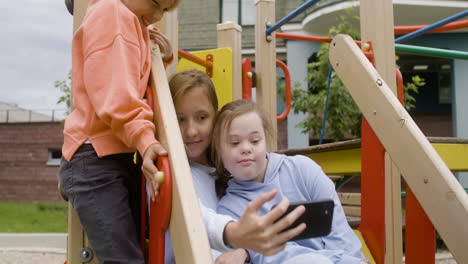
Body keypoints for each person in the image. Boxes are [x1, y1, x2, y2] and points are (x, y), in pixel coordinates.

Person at [59, 0, 179, 263]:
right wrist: (145, 139)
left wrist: (163, 58)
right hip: (94, 161)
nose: (158, 15)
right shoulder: (112, 12)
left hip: (115, 158)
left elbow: (129, 81)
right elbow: (116, 97)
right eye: (156, 3)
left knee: (138, 252)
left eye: (166, 10)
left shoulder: (130, 21)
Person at [165, 70, 307, 263]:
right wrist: (233, 235)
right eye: (180, 119)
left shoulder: (228, 167)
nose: (191, 131)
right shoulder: (170, 170)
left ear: (215, 118)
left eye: (201, 117)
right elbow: (195, 216)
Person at [211, 99, 369, 264]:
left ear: (265, 138)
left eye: (255, 140)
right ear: (218, 147)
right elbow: (273, 256)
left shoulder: (303, 170)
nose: (246, 148)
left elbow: (339, 233)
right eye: (235, 143)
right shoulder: (228, 210)